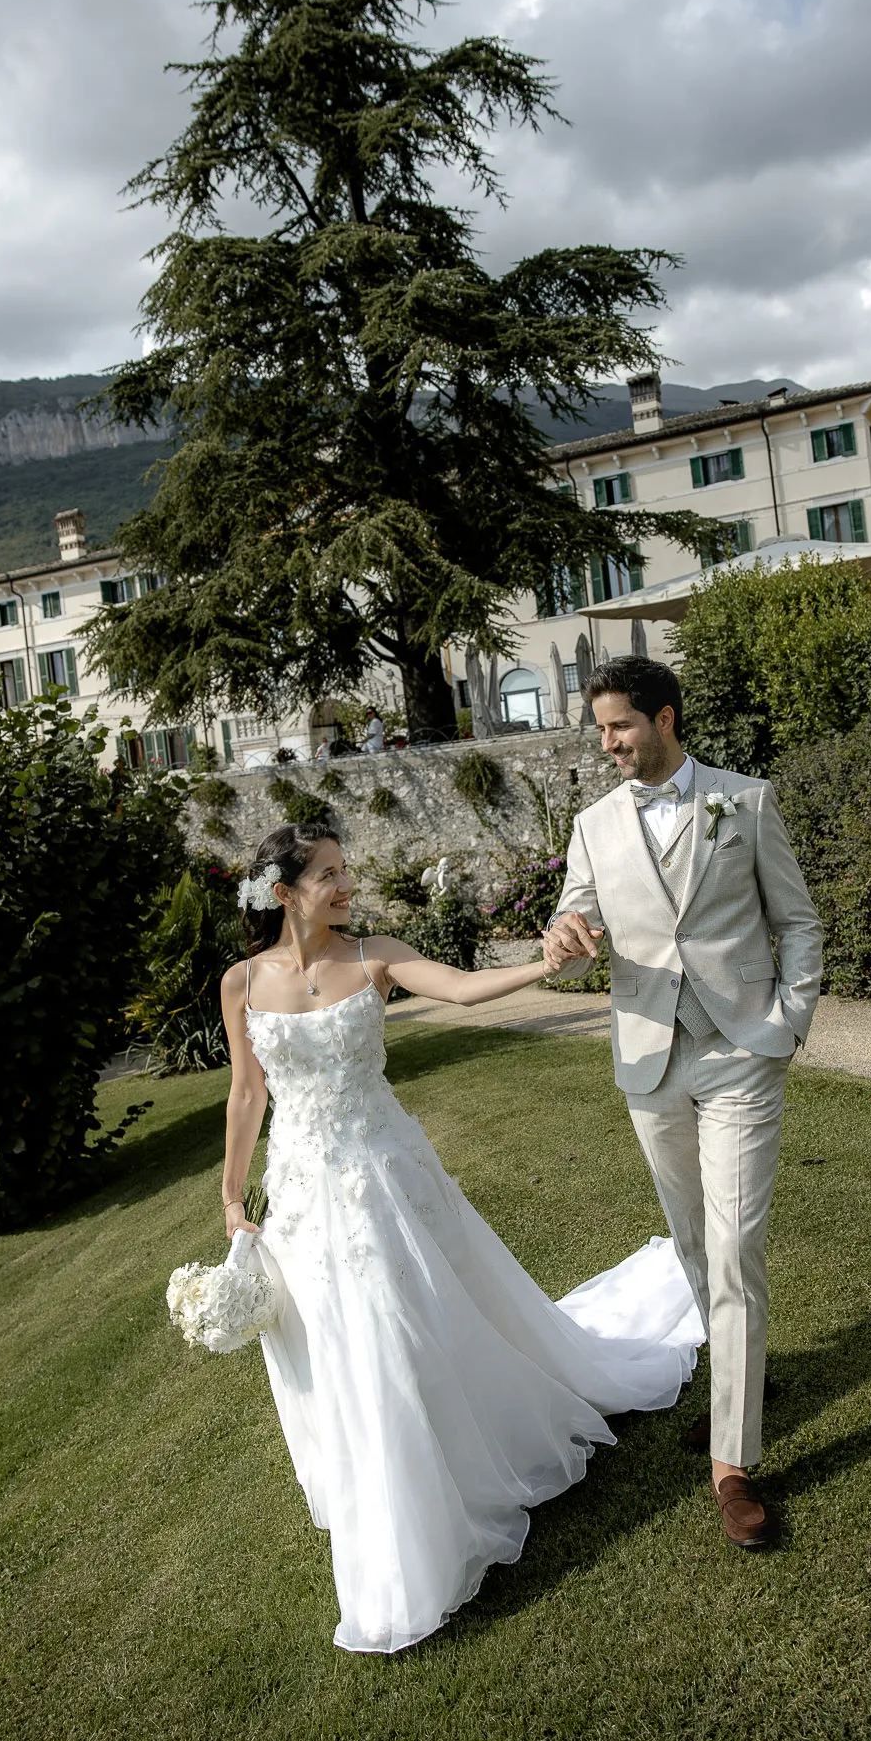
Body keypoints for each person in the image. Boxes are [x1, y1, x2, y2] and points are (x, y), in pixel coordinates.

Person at [217, 821, 702, 1654]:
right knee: (343, 1340)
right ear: (284, 891)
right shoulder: (241, 981)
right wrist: (232, 1198)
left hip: (388, 1170)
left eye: (345, 869)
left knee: (413, 1319)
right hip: (302, 1193)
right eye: (329, 873)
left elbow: (464, 988)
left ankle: (460, 1468)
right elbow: (245, 1094)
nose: (347, 884)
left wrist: (545, 966)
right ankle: (389, 1492)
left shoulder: (374, 954)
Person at [542, 657, 822, 1551]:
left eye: (619, 726)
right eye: (600, 730)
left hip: (741, 1049)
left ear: (663, 718)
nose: (608, 744)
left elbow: (797, 920)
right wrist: (563, 934)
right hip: (648, 1057)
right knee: (694, 1240)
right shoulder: (591, 826)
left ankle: (730, 1464)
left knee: (734, 1246)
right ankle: (741, 1375)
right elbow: (572, 922)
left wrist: (787, 1020)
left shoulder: (744, 800)